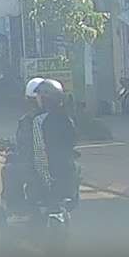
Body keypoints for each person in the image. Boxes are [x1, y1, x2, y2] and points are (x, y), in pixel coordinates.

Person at [30, 78, 78, 206]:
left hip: (50, 174)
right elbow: (72, 143)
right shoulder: (68, 119)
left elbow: (40, 151)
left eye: (39, 96)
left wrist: (47, 179)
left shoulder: (39, 121)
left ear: (45, 100)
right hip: (68, 171)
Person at [1, 77, 45, 210]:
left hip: (35, 166)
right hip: (59, 166)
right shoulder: (61, 117)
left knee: (9, 170)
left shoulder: (28, 120)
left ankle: (16, 208)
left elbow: (24, 144)